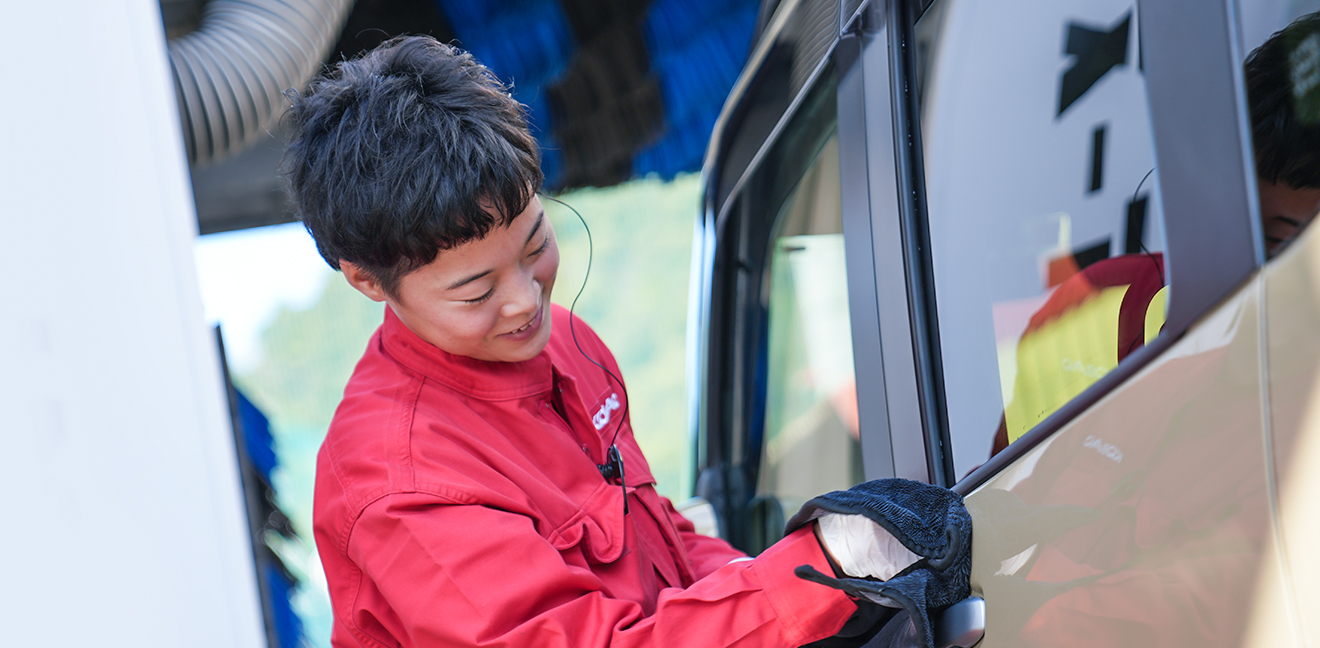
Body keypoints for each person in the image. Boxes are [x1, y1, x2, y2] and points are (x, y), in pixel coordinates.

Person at [282, 35, 912, 648]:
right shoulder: (402, 486)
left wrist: (818, 591)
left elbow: (665, 547)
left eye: (536, 246)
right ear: (368, 280)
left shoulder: (562, 344)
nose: (527, 302)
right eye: (476, 292)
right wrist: (826, 567)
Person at [988, 11, 1320, 456]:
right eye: (1233, 226)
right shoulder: (1090, 308)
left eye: (1291, 247)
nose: (1251, 267)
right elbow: (998, 512)